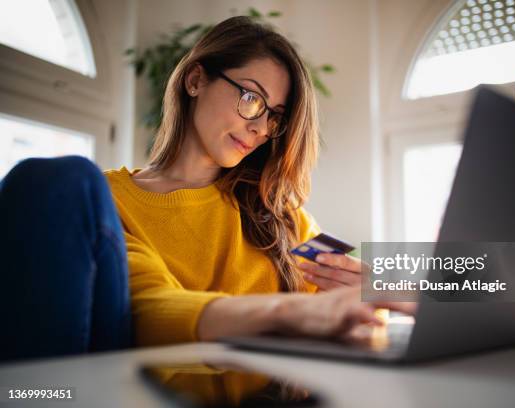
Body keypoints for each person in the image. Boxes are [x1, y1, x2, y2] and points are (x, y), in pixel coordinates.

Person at [0, 16, 412, 361]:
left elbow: (368, 280)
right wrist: (288, 311)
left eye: (274, 117)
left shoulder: (277, 212)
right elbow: (150, 305)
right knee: (55, 181)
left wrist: (405, 293)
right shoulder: (105, 200)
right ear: (196, 80)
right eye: (251, 97)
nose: (260, 127)